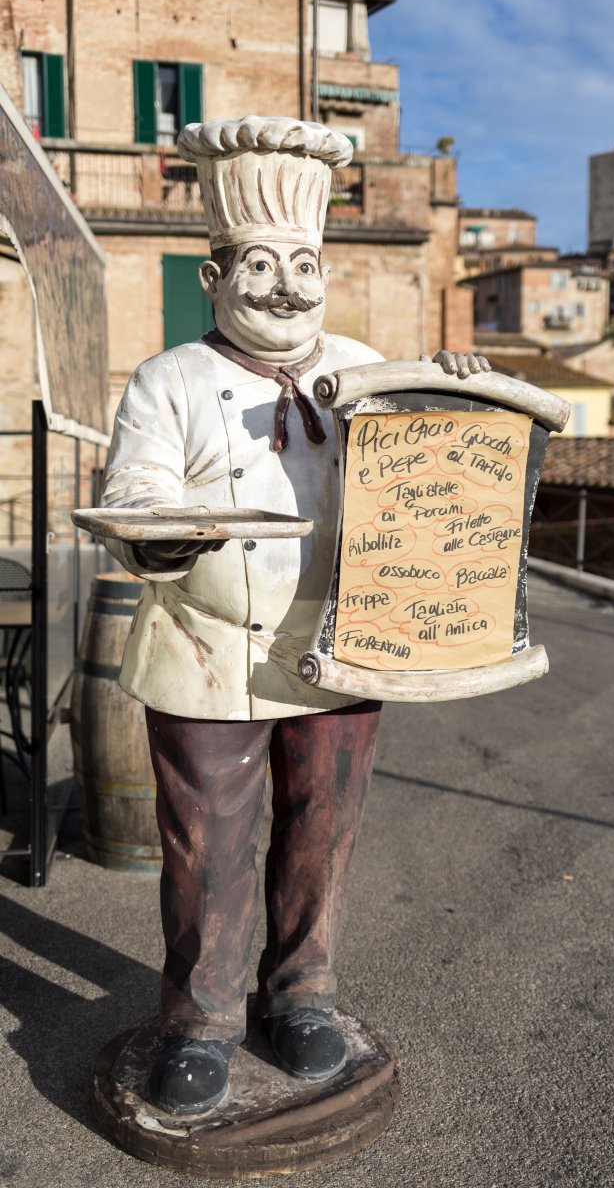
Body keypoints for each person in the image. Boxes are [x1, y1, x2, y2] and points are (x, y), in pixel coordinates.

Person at [101, 115, 489, 1115]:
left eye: (304, 263)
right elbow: (133, 494)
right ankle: (201, 1020)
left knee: (322, 830)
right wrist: (160, 534)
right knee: (208, 845)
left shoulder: (365, 366)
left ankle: (303, 994)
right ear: (214, 275)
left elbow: (437, 483)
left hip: (344, 642)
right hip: (206, 647)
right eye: (262, 264)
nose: (285, 285)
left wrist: (461, 409)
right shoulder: (170, 380)